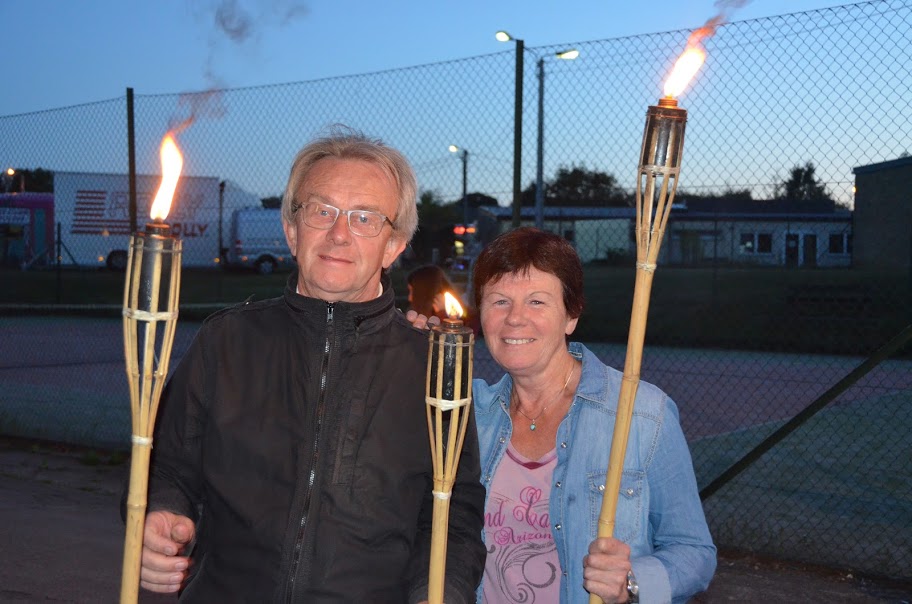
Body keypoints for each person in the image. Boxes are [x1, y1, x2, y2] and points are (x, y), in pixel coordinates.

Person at [134, 128, 486, 602]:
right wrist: (158, 516)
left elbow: (454, 514)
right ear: (292, 230)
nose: (339, 233)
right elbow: (166, 466)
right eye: (321, 211)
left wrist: (440, 593)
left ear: (394, 245)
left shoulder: (432, 369)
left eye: (365, 218)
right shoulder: (226, 342)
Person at [470, 227, 716, 603]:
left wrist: (633, 582)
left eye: (537, 302)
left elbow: (694, 552)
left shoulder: (642, 415)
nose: (515, 319)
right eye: (499, 301)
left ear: (571, 316)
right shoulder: (470, 416)